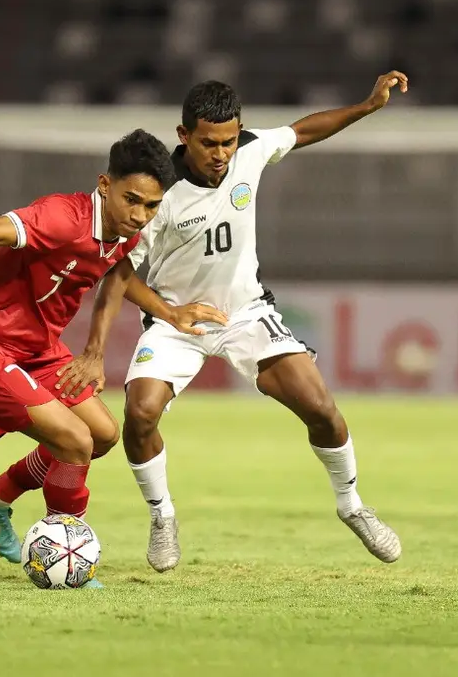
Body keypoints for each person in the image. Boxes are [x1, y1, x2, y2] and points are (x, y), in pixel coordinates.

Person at [57, 71, 410, 572]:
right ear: (184, 137)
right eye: (208, 143)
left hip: (246, 313)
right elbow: (118, 275)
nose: (221, 153)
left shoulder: (250, 150)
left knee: (321, 407)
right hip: (176, 321)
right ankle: (162, 517)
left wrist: (367, 106)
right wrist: (97, 349)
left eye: (228, 141)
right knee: (139, 415)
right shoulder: (160, 194)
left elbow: (304, 130)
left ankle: (352, 505)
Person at [0, 130, 222, 583]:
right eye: (132, 200)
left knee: (102, 434)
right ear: (104, 185)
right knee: (74, 440)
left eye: (151, 206)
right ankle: (65, 556)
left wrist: (167, 313)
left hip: (35, 346)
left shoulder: (122, 233)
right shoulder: (61, 218)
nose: (140, 215)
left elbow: (119, 275)